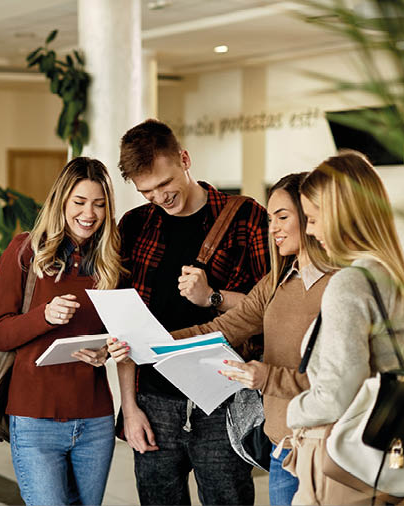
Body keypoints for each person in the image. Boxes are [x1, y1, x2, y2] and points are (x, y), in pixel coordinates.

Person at [110, 172, 332, 505]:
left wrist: (265, 376)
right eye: (271, 219)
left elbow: (341, 379)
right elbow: (223, 328)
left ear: (313, 215)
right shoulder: (277, 281)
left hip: (327, 444)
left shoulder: (343, 284)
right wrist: (143, 345)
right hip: (283, 444)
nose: (273, 229)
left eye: (283, 217)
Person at [111, 118, 269, 505]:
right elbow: (125, 325)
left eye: (165, 184)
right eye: (147, 192)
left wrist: (213, 297)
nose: (160, 198)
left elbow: (272, 306)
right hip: (153, 401)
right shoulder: (134, 225)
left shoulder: (246, 217)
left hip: (223, 399)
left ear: (184, 158)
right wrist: (129, 409)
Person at [0, 157, 125, 506]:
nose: (89, 214)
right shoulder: (25, 251)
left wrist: (106, 352)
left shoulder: (110, 258)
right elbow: (0, 334)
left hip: (95, 419)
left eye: (99, 204)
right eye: (79, 202)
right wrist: (44, 316)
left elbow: (121, 331)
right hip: (35, 419)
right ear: (61, 201)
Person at [285, 151, 404, 505]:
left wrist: (293, 412)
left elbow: (337, 393)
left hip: (347, 460)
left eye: (312, 219)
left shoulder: (351, 283)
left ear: (342, 215)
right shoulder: (402, 277)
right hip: (396, 455)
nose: (309, 231)